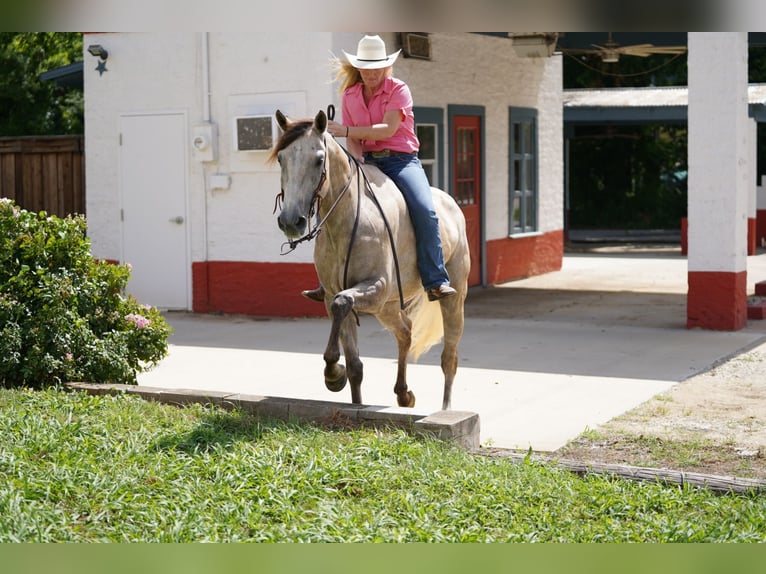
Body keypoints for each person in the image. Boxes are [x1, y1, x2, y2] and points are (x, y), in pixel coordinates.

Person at [303, 34, 456, 303]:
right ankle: (326, 280)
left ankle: (435, 279)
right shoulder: (350, 95)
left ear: (385, 67)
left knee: (425, 209)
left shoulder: (398, 90)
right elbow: (353, 139)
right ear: (358, 68)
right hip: (367, 160)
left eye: (376, 67)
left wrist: (346, 129)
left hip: (401, 160)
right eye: (366, 67)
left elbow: (388, 129)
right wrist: (358, 161)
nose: (371, 73)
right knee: (328, 204)